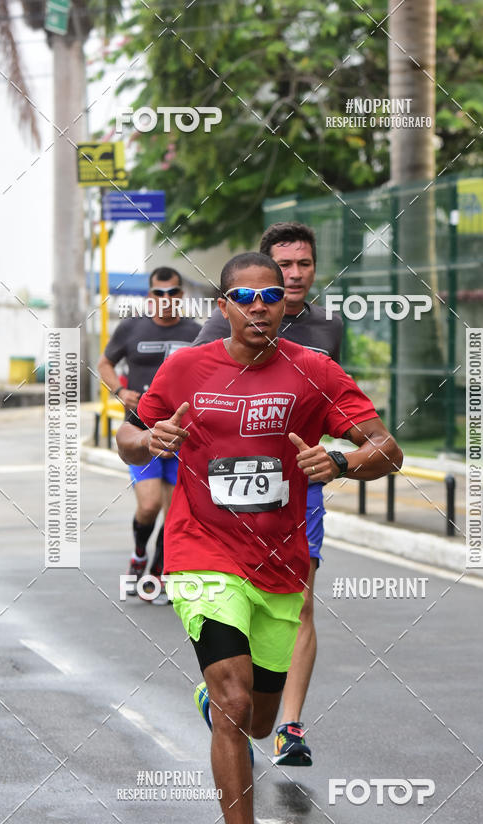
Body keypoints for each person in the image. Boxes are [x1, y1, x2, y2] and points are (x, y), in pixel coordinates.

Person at [116, 252, 402, 824]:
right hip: (201, 553)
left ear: (284, 304)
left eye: (271, 294)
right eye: (244, 296)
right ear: (223, 306)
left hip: (280, 564)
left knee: (262, 723)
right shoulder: (186, 367)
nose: (259, 306)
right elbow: (128, 440)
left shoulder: (314, 371)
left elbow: (387, 447)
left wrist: (345, 461)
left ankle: (221, 707)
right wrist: (149, 441)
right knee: (234, 703)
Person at [194, 222, 341, 766]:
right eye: (285, 267)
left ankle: (291, 727)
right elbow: (191, 388)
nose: (296, 275)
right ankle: (229, 693)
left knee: (301, 602)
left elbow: (330, 400)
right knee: (246, 606)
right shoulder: (221, 320)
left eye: (305, 264)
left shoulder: (327, 327)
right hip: (227, 495)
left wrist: (334, 457)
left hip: (297, 487)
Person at [97, 266, 201, 603]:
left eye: (173, 293)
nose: (166, 299)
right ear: (150, 296)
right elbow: (104, 364)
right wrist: (119, 391)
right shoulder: (131, 327)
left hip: (181, 434)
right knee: (150, 505)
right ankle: (140, 552)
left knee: (173, 516)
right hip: (141, 430)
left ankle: (157, 574)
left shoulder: (196, 332)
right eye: (159, 293)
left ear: (181, 296)